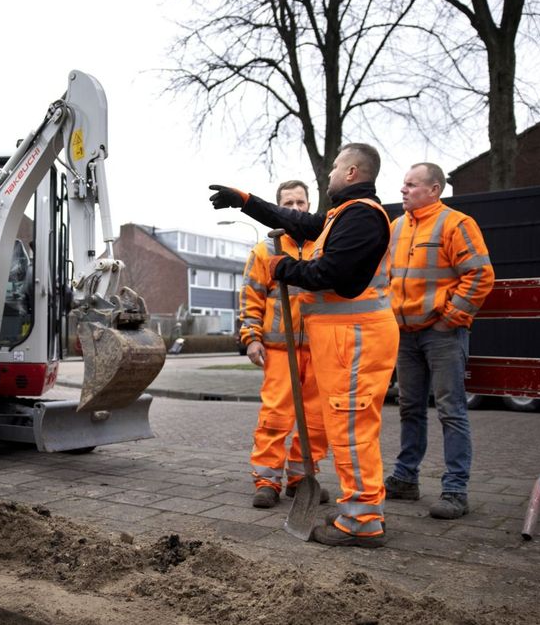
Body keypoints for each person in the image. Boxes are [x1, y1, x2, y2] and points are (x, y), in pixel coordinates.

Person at [209, 143, 398, 548]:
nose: (328, 174)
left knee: (350, 427)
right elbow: (296, 221)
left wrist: (286, 269)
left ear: (351, 173)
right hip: (343, 340)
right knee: (346, 425)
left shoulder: (362, 216)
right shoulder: (344, 215)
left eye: (334, 167)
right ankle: (358, 507)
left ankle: (362, 518)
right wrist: (247, 202)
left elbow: (335, 274)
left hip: (355, 339)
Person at [385, 163, 494, 520]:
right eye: (403, 184)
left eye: (411, 185)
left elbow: (479, 273)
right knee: (409, 408)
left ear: (434, 190)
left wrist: (452, 318)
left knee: (451, 411)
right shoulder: (396, 227)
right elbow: (386, 278)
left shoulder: (456, 223)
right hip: (405, 334)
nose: (403, 190)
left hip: (441, 333)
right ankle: (405, 479)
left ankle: (455, 490)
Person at [239, 180, 331, 509]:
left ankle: (302, 477)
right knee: (276, 416)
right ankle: (266, 480)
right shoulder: (265, 250)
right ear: (278, 207)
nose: (295, 209)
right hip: (280, 349)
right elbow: (250, 297)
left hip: (321, 349)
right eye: (288, 203)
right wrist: (251, 338)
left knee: (318, 421)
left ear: (310, 205)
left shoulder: (325, 245)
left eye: (300, 203)